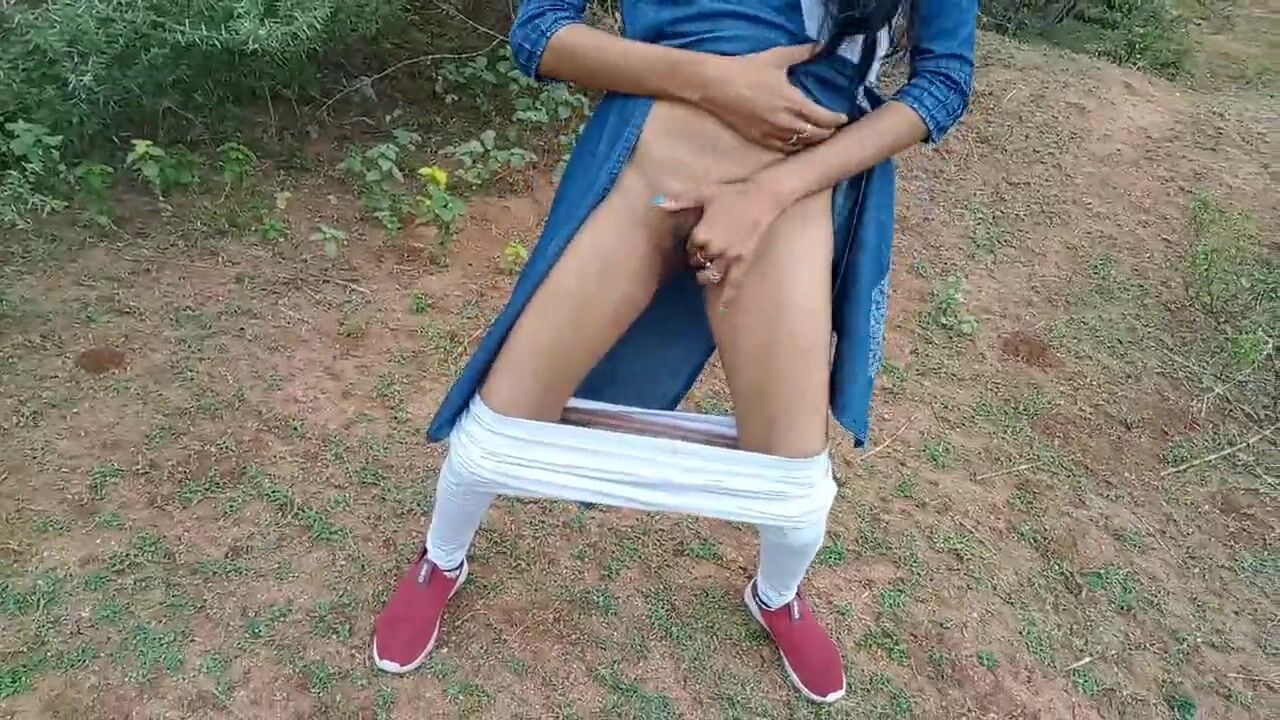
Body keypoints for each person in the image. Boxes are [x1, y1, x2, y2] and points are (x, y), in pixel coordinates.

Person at [372, 0, 977, 704]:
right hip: (646, 173)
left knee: (793, 490)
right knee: (494, 438)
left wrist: (770, 191)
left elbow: (943, 83)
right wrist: (712, 81)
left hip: (785, 204)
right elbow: (539, 33)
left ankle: (776, 596)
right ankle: (443, 559)